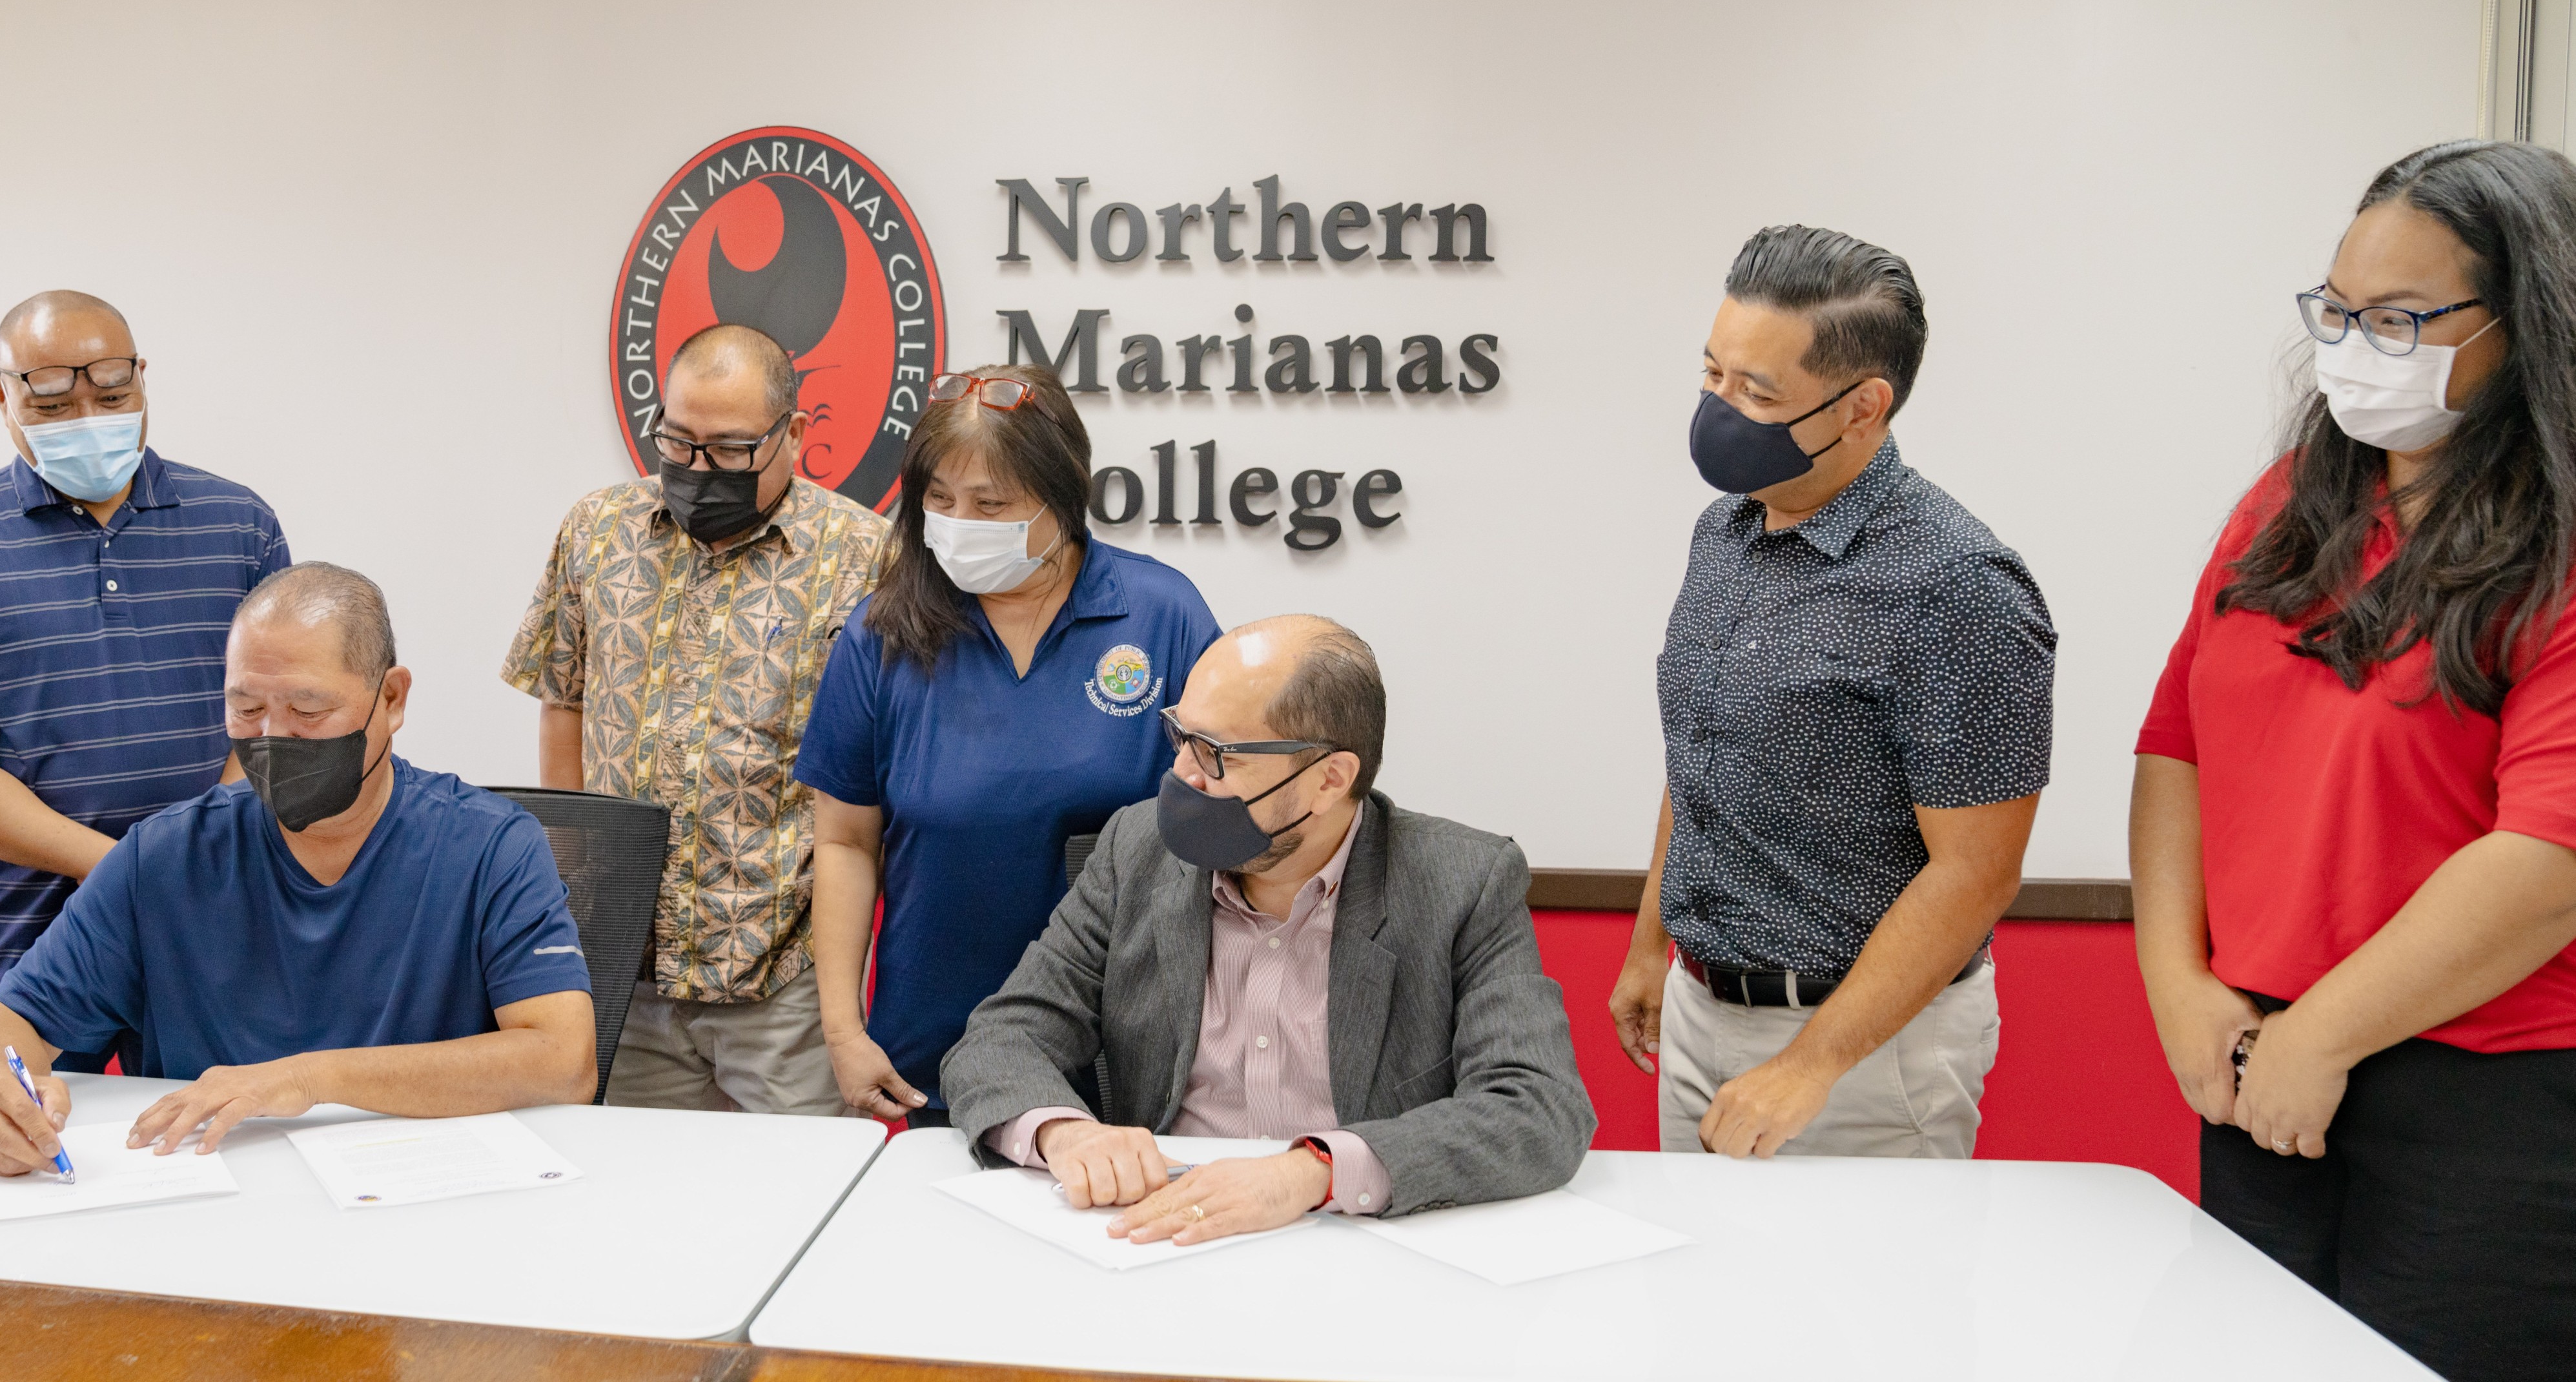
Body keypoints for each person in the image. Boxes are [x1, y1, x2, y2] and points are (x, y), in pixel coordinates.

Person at [2134, 140, 2576, 1379]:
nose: (2350, 345)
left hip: (2485, 1096)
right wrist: (2179, 985)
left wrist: (2322, 1037)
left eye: (2397, 319)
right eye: (2336, 310)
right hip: (2255, 1061)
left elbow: (2546, 861)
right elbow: (2176, 747)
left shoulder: (2559, 544)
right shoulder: (2286, 503)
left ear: (2526, 320)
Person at [1607, 226, 2056, 1160]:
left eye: (1757, 392)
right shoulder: (1721, 534)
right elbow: (1700, 756)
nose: (1719, 407)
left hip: (1864, 1053)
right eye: (1712, 373)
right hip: (1699, 1009)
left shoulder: (1956, 584)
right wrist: (1653, 942)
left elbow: (1975, 872)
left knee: (1858, 1309)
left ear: (1862, 406)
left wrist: (1811, 1062)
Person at [943, 616, 1593, 1243]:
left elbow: (1536, 1104)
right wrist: (1067, 1133)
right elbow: (1002, 1038)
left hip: (1360, 1240)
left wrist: (1310, 1170)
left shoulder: (1461, 880)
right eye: (1181, 737)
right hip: (1158, 1231)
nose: (1182, 776)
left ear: (1328, 778)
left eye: (1217, 754)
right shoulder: (1134, 850)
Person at [0, 563, 596, 1177]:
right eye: (246, 708)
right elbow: (7, 1025)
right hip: (209, 1187)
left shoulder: (490, 845)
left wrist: (306, 1078)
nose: (273, 737)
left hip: (413, 1189)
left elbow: (563, 1060)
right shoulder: (164, 855)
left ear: (392, 699)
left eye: (309, 711)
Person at [0, 290, 288, 1071]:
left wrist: (191, 856)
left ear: (142, 377)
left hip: (208, 910)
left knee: (222, 1145)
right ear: (3, 396)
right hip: (20, 930)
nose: (89, 415)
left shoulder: (241, 526)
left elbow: (278, 725)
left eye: (113, 392)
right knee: (26, 1154)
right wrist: (124, 867)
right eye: (54, 400)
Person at [799, 364, 1220, 1124]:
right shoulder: (880, 636)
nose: (960, 521)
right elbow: (844, 842)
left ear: (1063, 493)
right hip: (930, 1042)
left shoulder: (1163, 616)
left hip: (1118, 1040)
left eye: (991, 503)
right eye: (938, 498)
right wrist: (841, 1029)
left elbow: (1216, 828)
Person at [503, 324, 887, 1115]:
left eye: (731, 449)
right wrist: (576, 891)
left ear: (796, 434)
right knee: (642, 1206)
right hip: (626, 965)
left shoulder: (865, 556)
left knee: (795, 1203)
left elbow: (878, 773)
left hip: (781, 977)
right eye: (678, 441)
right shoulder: (597, 531)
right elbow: (562, 701)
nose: (698, 468)